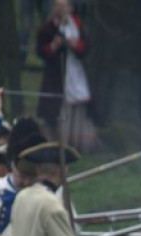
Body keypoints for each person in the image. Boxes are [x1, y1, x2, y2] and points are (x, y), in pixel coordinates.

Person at [36, 0, 99, 151]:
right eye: (58, 6)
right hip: (56, 75)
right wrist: (54, 45)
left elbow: (85, 47)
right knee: (57, 109)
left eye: (64, 6)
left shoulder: (76, 24)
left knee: (77, 103)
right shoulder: (49, 26)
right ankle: (57, 143)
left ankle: (77, 143)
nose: (61, 9)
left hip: (74, 70)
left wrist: (74, 44)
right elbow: (41, 50)